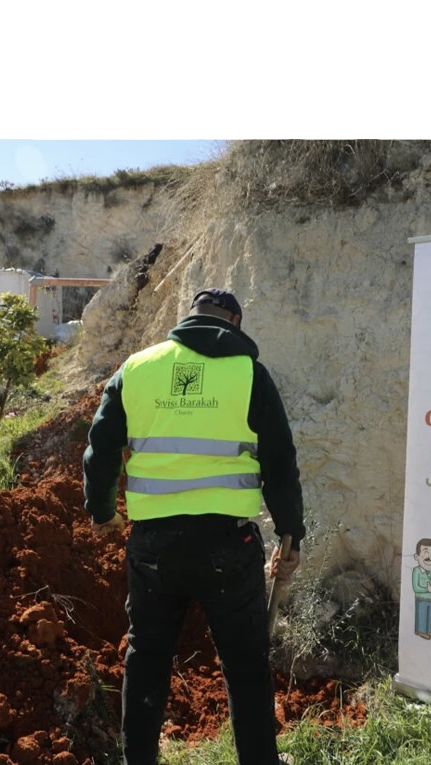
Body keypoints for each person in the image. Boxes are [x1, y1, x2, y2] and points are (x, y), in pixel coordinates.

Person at [83, 288, 305, 765]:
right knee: (245, 663)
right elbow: (280, 464)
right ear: (235, 323)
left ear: (190, 319)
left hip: (153, 545)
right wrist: (292, 534)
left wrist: (102, 511)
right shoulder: (249, 374)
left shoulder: (138, 368)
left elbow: (100, 448)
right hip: (229, 543)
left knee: (146, 659)